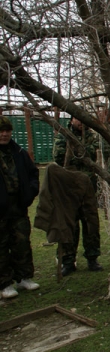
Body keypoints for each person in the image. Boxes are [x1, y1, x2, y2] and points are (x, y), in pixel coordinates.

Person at [53, 116, 103, 276]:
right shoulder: (63, 135)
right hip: (69, 189)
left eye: (82, 119)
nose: (80, 122)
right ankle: (68, 261)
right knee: (69, 226)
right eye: (77, 119)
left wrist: (78, 152)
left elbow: (92, 155)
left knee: (91, 225)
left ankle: (92, 258)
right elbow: (59, 157)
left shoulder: (92, 135)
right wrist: (80, 153)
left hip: (88, 188)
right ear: (72, 120)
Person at [0, 116, 40, 299]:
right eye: (1, 131)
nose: (5, 134)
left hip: (18, 206)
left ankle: (23, 277)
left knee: (22, 242)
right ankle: (5, 283)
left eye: (7, 130)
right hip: (1, 209)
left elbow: (33, 173)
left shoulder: (19, 152)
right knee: (1, 245)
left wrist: (31, 191)